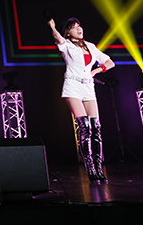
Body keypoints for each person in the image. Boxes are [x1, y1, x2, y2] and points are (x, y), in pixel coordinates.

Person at [48, 17, 114, 183]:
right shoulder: (67, 45)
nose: (79, 29)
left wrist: (96, 71)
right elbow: (58, 39)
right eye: (73, 27)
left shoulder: (91, 46)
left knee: (96, 128)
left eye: (79, 26)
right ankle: (90, 167)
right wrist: (53, 27)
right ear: (68, 32)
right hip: (72, 86)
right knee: (84, 126)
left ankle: (98, 167)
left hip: (88, 87)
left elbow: (110, 62)